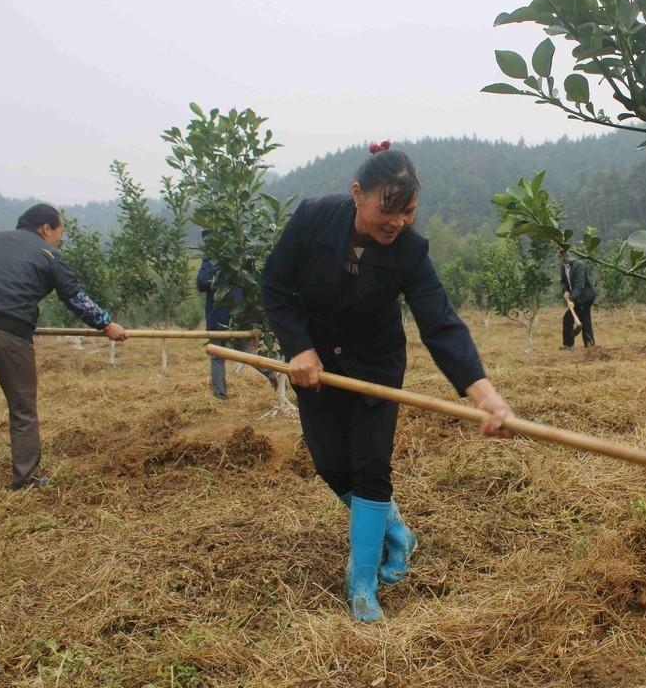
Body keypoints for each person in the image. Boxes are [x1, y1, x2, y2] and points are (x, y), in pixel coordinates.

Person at [261, 142, 515, 623]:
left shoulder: (411, 250)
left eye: (409, 211)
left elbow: (439, 323)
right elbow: (275, 286)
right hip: (313, 360)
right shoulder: (314, 219)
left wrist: (485, 396)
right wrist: (297, 346)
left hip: (375, 361)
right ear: (358, 194)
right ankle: (395, 531)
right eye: (388, 208)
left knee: (370, 463)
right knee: (331, 464)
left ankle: (362, 581)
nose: (397, 222)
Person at [0, 204, 128, 507]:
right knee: (22, 410)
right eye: (59, 233)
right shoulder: (47, 255)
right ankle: (25, 479)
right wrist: (106, 324)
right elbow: (75, 297)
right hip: (10, 333)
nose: (58, 240)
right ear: (46, 228)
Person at [196, 249, 277, 399]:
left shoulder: (212, 259)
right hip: (240, 316)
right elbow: (253, 285)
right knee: (247, 352)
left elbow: (201, 282)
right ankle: (271, 373)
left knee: (217, 357)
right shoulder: (243, 254)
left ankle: (220, 396)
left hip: (218, 317)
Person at [558, 248, 596, 348]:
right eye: (559, 256)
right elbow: (564, 282)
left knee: (581, 318)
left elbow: (580, 285)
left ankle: (582, 344)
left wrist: (572, 299)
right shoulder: (563, 267)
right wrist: (566, 291)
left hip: (585, 297)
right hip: (575, 297)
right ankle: (586, 344)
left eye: (560, 256)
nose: (559, 258)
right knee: (576, 318)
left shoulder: (579, 265)